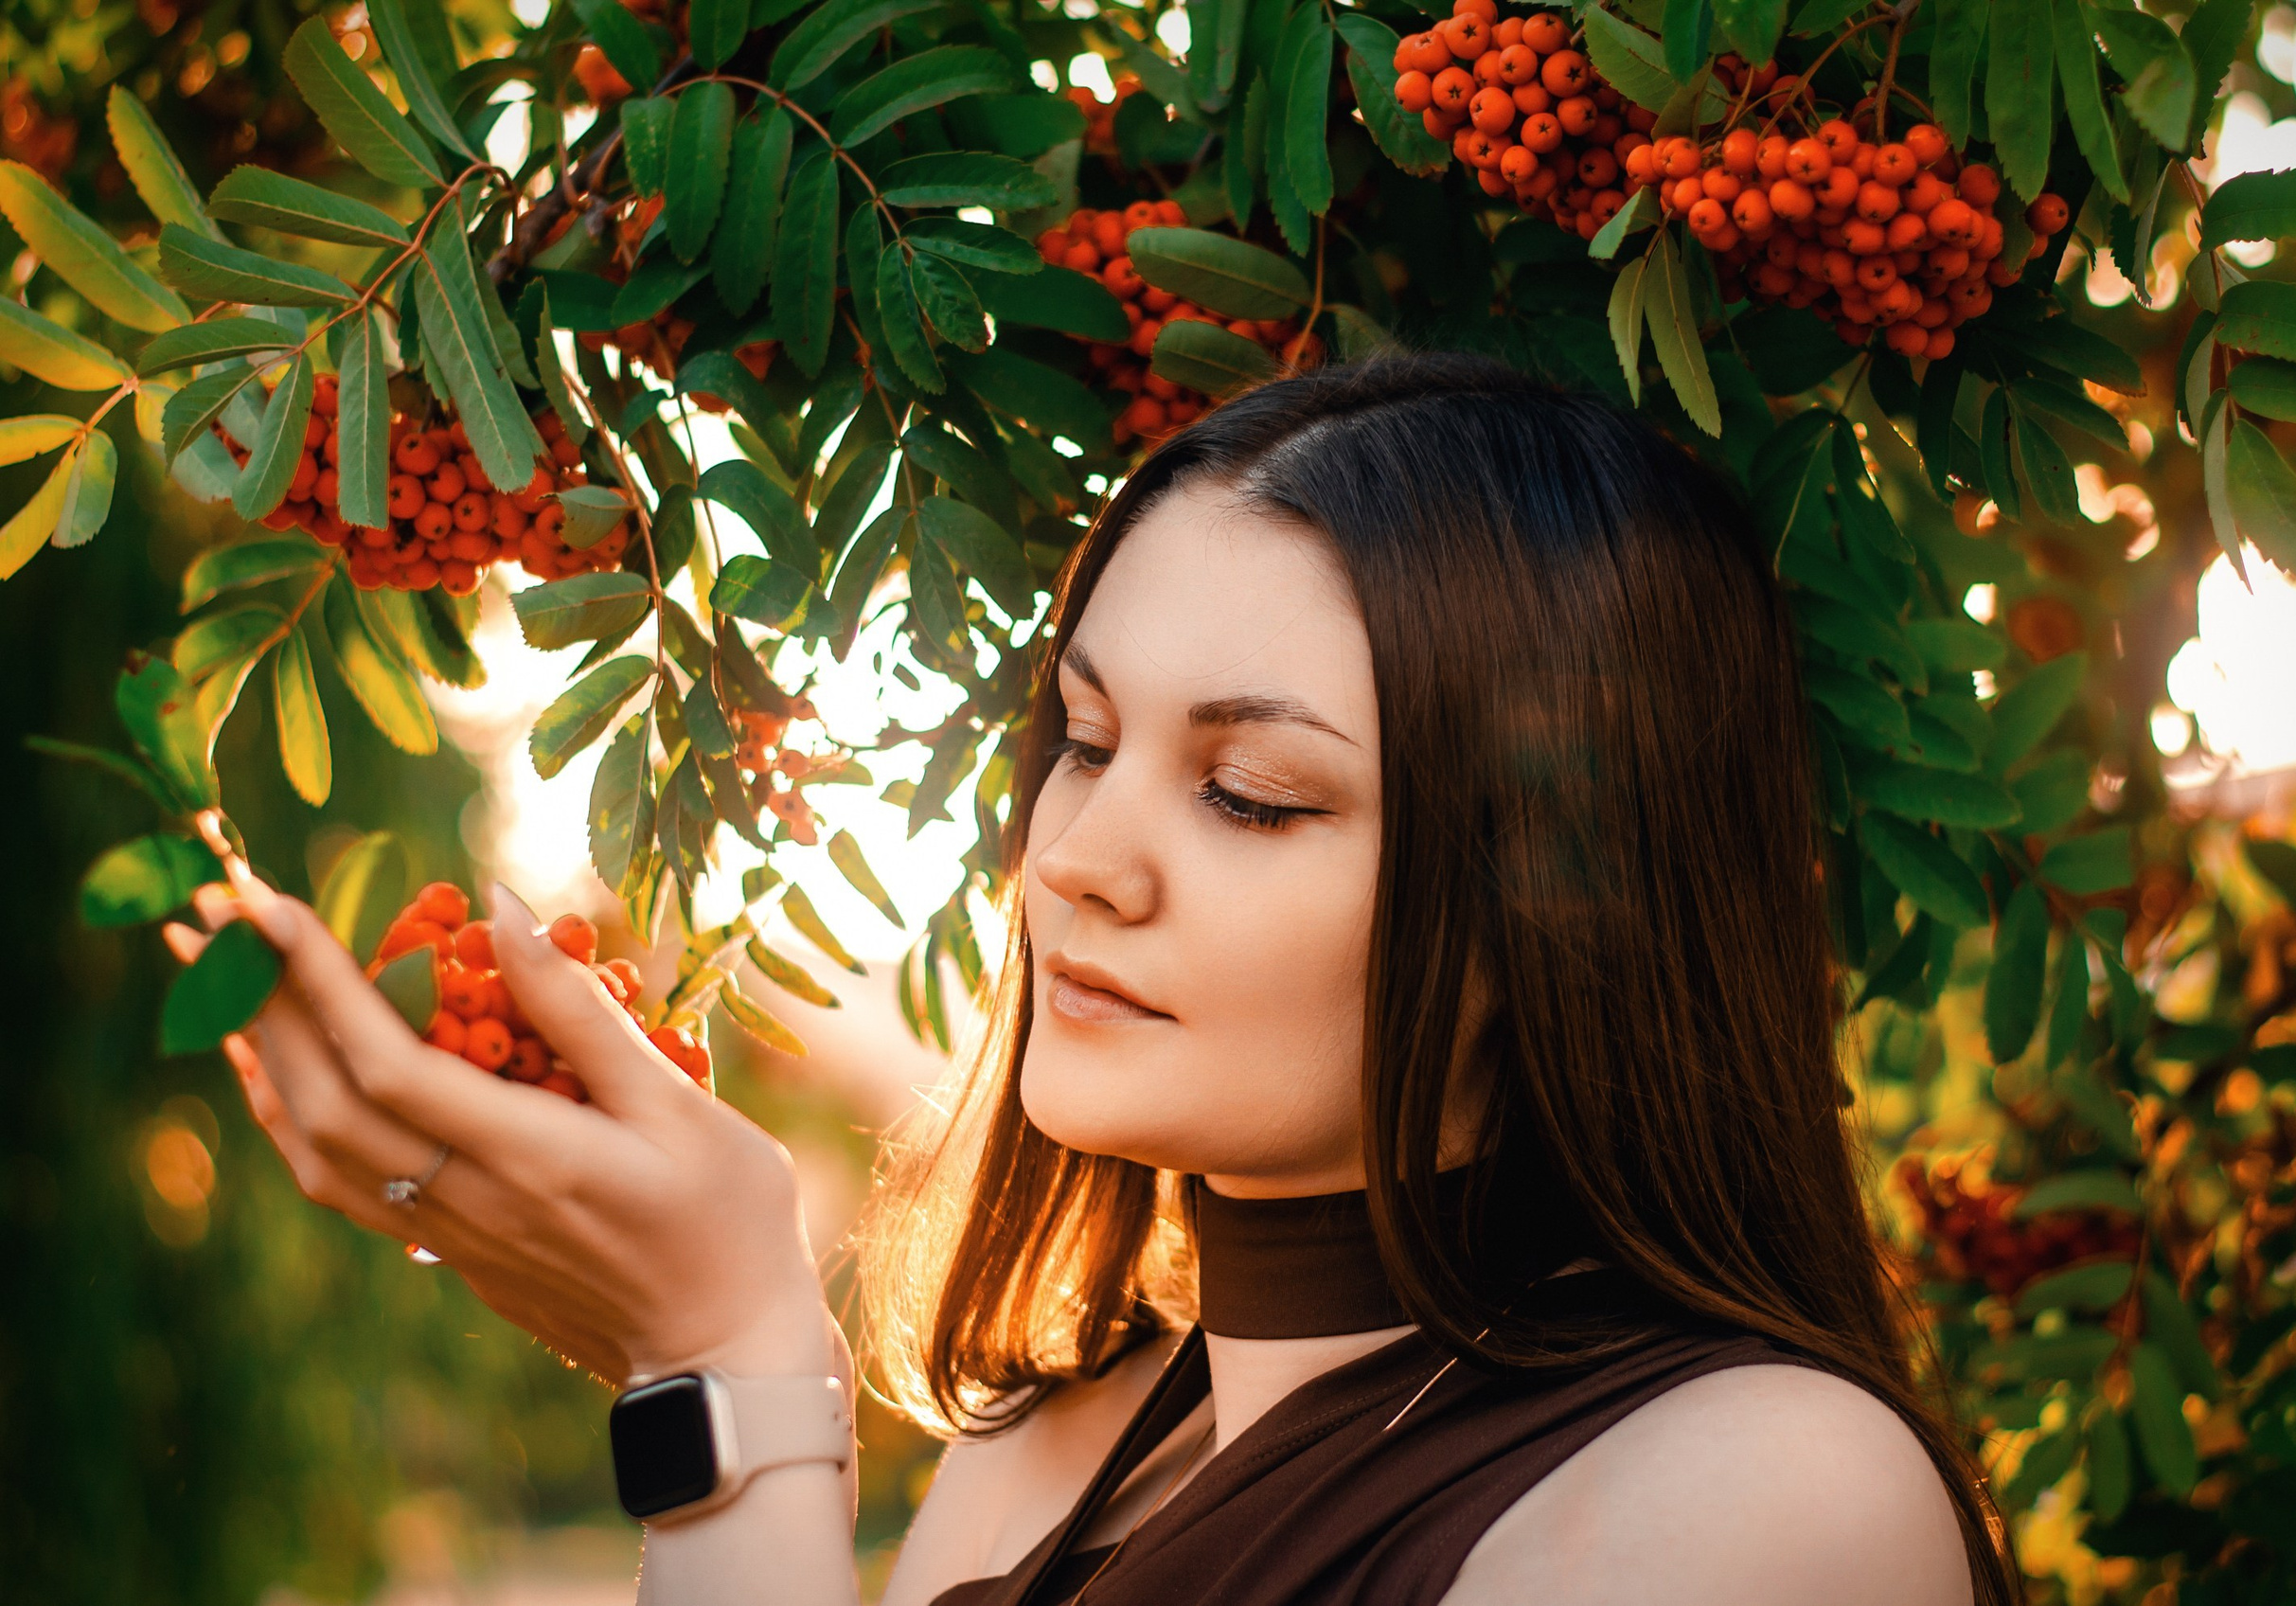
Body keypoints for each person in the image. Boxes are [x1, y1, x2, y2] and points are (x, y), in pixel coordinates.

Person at [172, 353, 2014, 1606]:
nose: (1070, 852)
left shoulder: (1771, 1496)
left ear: (1574, 901)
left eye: (1248, 790)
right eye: (1080, 734)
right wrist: (712, 1375)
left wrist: (727, 1363)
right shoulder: (1042, 1442)